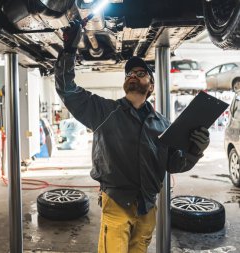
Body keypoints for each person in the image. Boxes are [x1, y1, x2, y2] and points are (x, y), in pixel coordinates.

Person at [54, 20, 210, 253]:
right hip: (116, 204)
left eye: (140, 73)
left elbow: (174, 164)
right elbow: (67, 89)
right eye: (129, 74)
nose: (133, 76)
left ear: (151, 86)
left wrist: (195, 150)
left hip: (148, 207)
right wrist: (68, 50)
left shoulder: (163, 124)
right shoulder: (104, 112)